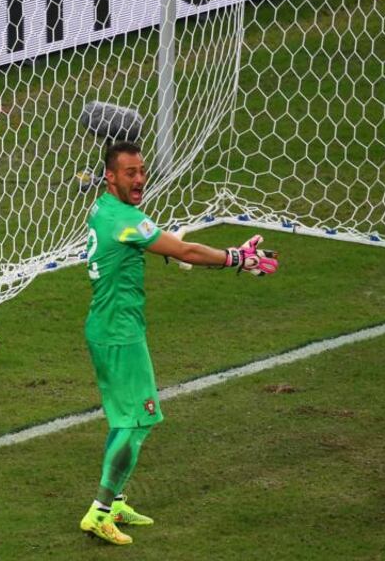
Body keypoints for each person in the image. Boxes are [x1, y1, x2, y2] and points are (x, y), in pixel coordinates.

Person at [80, 141, 278, 545]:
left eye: (142, 170)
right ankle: (99, 512)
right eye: (129, 173)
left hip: (110, 327)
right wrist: (235, 258)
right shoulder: (125, 219)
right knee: (138, 421)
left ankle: (115, 501)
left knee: (128, 419)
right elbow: (184, 248)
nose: (139, 179)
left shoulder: (104, 210)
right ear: (110, 177)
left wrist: (169, 249)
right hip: (119, 334)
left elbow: (152, 244)